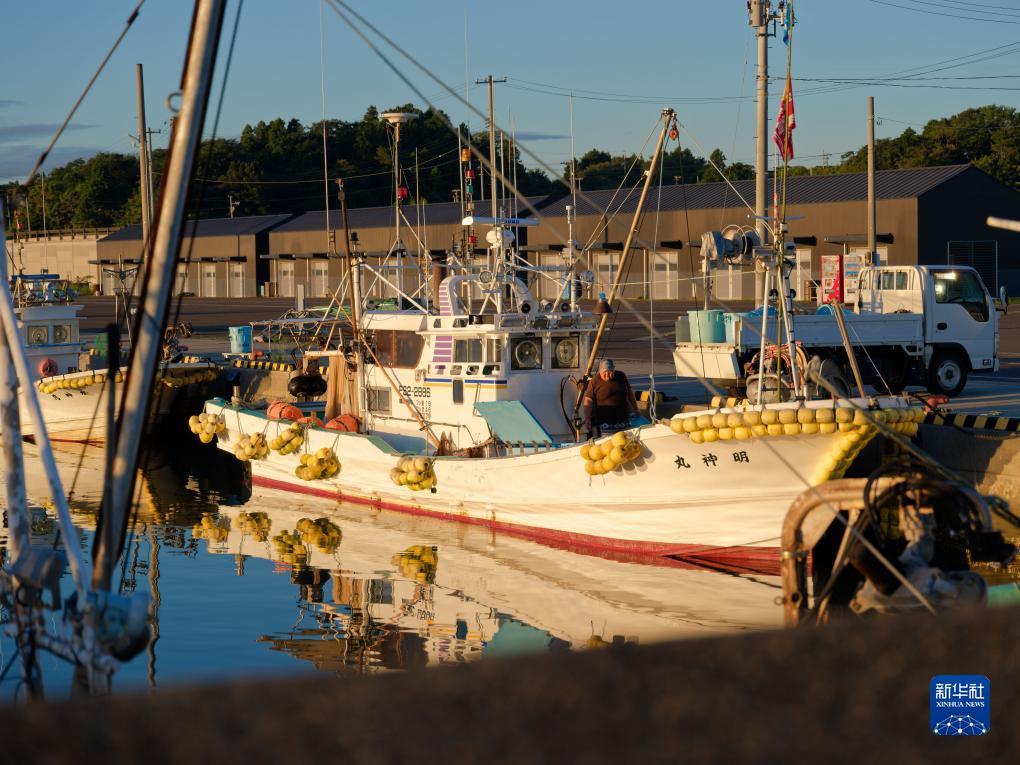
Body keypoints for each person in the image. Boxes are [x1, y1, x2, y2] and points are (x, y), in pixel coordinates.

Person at [582, 358, 638, 437]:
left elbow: (630, 393)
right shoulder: (595, 381)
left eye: (610, 372)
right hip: (605, 425)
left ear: (614, 370)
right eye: (605, 372)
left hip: (624, 422)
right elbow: (588, 400)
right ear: (600, 372)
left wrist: (636, 409)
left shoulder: (621, 376)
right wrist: (587, 418)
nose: (607, 374)